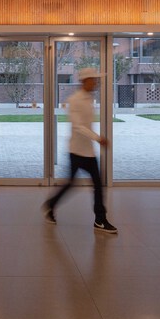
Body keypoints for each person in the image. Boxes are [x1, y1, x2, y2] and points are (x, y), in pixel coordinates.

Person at [42, 68, 117, 233]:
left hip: (88, 151)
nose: (96, 83)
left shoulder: (89, 98)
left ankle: (100, 219)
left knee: (97, 184)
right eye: (93, 80)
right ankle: (51, 205)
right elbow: (78, 126)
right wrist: (98, 138)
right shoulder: (74, 100)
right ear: (85, 81)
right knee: (71, 183)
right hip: (76, 151)